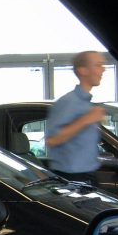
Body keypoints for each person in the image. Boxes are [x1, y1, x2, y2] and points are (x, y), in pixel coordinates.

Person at [45, 50, 108, 186]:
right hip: (72, 178)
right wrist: (86, 119)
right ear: (83, 70)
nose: (103, 69)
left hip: (88, 175)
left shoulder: (86, 103)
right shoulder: (68, 101)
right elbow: (52, 140)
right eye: (98, 65)